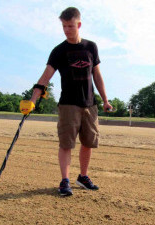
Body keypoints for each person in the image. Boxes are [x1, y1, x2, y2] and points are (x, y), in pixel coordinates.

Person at [30, 7, 112, 196]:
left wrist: (105, 100)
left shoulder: (91, 47)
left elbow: (97, 76)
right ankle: (64, 181)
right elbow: (45, 78)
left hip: (90, 104)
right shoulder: (59, 51)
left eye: (70, 26)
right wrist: (32, 100)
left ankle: (83, 177)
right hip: (68, 104)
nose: (67, 30)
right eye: (64, 26)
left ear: (79, 25)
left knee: (88, 143)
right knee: (66, 144)